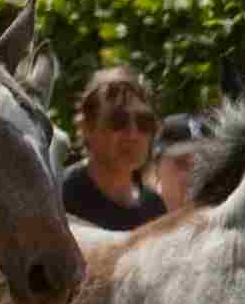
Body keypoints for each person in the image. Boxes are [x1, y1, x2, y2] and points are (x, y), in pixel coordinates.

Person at [61, 66, 170, 231]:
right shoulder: (58, 199)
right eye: (118, 121)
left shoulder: (156, 210)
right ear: (87, 128)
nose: (133, 134)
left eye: (144, 122)